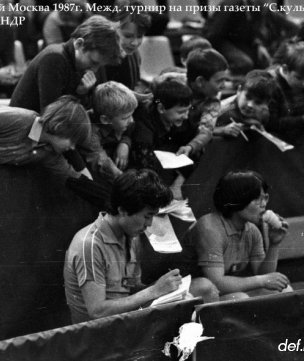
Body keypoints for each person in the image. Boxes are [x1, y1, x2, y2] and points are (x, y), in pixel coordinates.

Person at [0, 96, 109, 207]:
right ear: (58, 127)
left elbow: (71, 176)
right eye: (72, 141)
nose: (72, 148)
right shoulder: (19, 119)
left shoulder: (48, 153)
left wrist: (109, 202)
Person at [63, 168, 179, 323]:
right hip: (94, 337)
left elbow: (131, 288)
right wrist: (154, 290)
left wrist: (166, 290)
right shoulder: (90, 245)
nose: (149, 224)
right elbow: (97, 311)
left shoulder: (133, 237)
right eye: (147, 216)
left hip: (125, 324)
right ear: (123, 210)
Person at [185, 170, 292, 300]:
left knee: (284, 290)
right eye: (257, 199)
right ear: (237, 200)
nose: (264, 204)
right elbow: (216, 282)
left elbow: (265, 276)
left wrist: (274, 244)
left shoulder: (252, 230)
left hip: (219, 293)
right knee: (239, 299)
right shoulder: (209, 227)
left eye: (265, 198)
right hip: (196, 293)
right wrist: (262, 280)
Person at [10, 15, 121, 113]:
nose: (95, 70)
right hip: (23, 128)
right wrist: (78, 95)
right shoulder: (54, 58)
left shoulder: (82, 64)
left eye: (99, 65)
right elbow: (51, 114)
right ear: (79, 44)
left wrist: (81, 92)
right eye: (93, 62)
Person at [130, 75, 211, 194]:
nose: (186, 116)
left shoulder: (183, 120)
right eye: (181, 112)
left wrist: (178, 184)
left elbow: (199, 143)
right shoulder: (144, 125)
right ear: (161, 108)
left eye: (188, 110)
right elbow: (145, 168)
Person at [79, 81, 138, 182]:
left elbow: (132, 129)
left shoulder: (118, 115)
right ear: (105, 120)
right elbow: (102, 163)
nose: (131, 120)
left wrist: (125, 143)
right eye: (126, 118)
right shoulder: (89, 132)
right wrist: (130, 182)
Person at [266, 40, 304, 135]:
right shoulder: (269, 84)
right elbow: (270, 123)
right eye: (299, 78)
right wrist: (303, 122)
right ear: (285, 69)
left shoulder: (302, 78)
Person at [99, 0, 151, 91]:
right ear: (112, 27)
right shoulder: (97, 57)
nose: (134, 43)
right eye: (128, 36)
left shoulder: (134, 54)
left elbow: (133, 86)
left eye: (139, 36)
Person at [213, 70, 277, 138]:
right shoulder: (220, 109)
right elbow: (202, 131)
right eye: (248, 97)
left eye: (258, 102)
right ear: (239, 90)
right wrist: (222, 130)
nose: (250, 105)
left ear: (267, 103)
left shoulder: (264, 114)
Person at [185, 48, 230, 131]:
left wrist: (220, 131)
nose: (224, 86)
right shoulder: (170, 84)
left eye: (225, 80)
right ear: (200, 81)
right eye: (219, 81)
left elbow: (205, 131)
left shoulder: (213, 103)